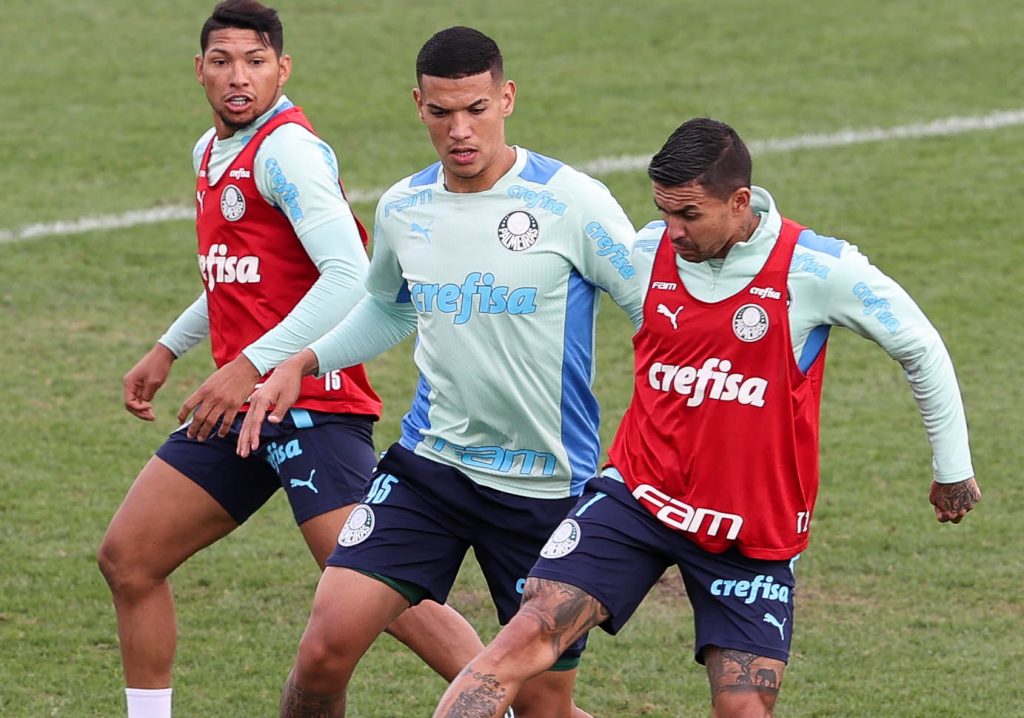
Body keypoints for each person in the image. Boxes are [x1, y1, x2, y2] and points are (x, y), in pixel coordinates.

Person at [431, 117, 982, 718]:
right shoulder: (645, 252)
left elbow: (920, 347)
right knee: (522, 637)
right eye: (664, 212)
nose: (672, 231)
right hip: (638, 497)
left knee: (744, 710)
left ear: (739, 201)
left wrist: (952, 469)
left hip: (751, 528)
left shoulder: (817, 270)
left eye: (689, 214)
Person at [236, 25, 644, 718]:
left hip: (544, 488)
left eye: (476, 109)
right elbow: (390, 311)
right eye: (441, 111)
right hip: (432, 469)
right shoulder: (404, 207)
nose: (460, 130)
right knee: (322, 654)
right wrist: (301, 361)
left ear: (506, 98)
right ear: (417, 105)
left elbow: (657, 316)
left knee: (542, 709)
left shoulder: (573, 203)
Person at [96, 4, 483, 717]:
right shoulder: (210, 152)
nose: (238, 78)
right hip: (243, 406)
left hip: (313, 402)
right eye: (222, 61)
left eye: (254, 61)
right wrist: (168, 347)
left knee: (379, 592)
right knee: (130, 559)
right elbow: (240, 275)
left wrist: (250, 365)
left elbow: (349, 275)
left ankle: (516, 696)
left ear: (283, 68)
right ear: (199, 70)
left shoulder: (288, 153)